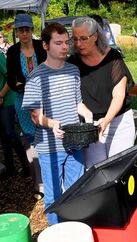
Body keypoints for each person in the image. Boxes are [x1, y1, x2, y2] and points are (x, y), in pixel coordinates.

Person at [22, 23, 93, 225]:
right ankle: (56, 231)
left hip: (75, 142)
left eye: (66, 42)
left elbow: (77, 103)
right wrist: (52, 123)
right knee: (53, 196)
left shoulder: (73, 71)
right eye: (58, 43)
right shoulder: (36, 77)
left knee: (76, 190)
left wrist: (87, 115)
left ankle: (74, 228)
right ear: (45, 45)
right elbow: (36, 117)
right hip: (49, 147)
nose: (65, 47)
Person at [68, 16, 135, 169]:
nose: (78, 44)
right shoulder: (72, 63)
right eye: (75, 39)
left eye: (83, 38)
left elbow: (118, 96)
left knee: (118, 168)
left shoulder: (113, 58)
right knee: (95, 169)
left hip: (118, 120)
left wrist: (106, 120)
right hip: (91, 125)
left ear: (96, 36)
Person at [6, 13, 46, 198]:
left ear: (32, 30)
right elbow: (12, 80)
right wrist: (24, 86)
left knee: (47, 136)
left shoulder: (41, 46)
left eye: (27, 29)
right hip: (22, 101)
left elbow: (49, 69)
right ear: (17, 32)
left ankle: (51, 177)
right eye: (20, 30)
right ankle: (38, 183)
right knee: (31, 140)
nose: (24, 33)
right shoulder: (13, 51)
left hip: (45, 99)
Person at [0, 51, 29, 177]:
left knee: (9, 133)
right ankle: (10, 168)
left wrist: (1, 95)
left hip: (6, 100)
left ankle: (26, 164)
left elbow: (10, 78)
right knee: (3, 136)